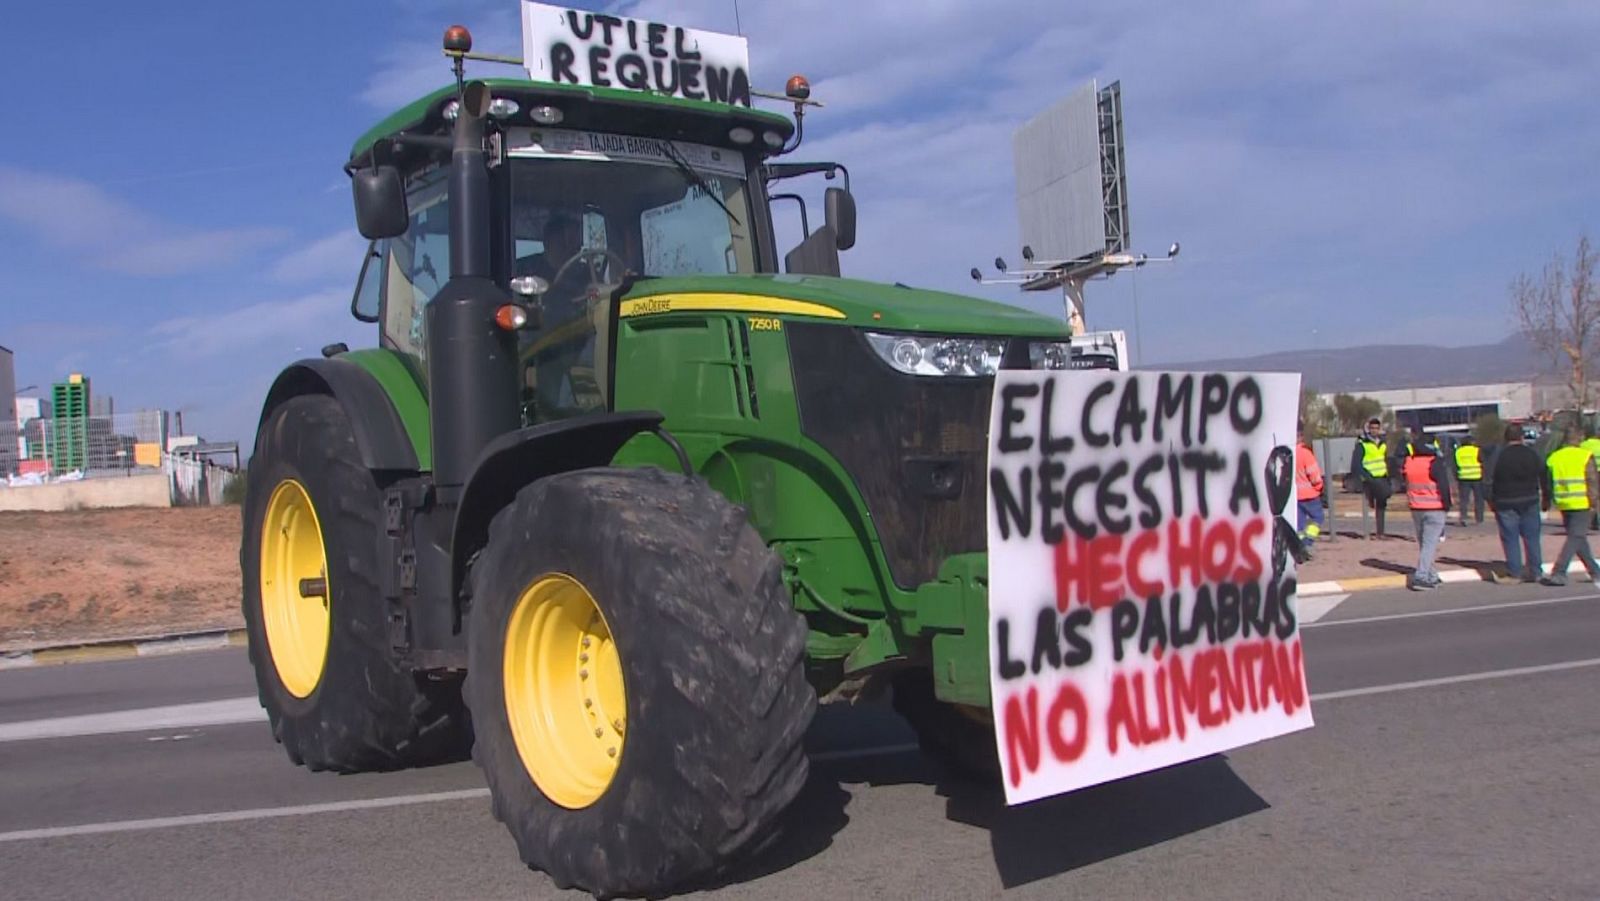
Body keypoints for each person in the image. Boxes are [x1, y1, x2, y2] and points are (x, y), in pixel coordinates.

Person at [1539, 429, 1600, 588]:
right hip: (1582, 502)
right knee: (1575, 538)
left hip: (1564, 502)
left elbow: (1547, 483)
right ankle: (1559, 572)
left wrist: (1546, 502)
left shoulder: (1554, 457)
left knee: (1578, 538)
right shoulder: (1584, 456)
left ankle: (1595, 571)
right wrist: (1594, 503)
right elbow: (1592, 481)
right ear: (1578, 439)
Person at [1489, 423, 1549, 583]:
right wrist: (1546, 499)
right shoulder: (1532, 454)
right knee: (1532, 537)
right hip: (1530, 499)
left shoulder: (1498, 455)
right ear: (1522, 437)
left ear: (1505, 438)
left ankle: (1515, 572)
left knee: (1510, 538)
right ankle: (1536, 571)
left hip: (1505, 501)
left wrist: (1491, 500)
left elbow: (1488, 479)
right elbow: (1544, 475)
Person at [1351, 417, 1392, 539]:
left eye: (1376, 428)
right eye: (1372, 428)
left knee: (1382, 504)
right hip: (1371, 478)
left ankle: (1380, 532)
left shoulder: (1382, 443)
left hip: (1382, 476)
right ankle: (1370, 532)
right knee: (1380, 496)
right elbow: (1356, 464)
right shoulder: (1362, 444)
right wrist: (1366, 477)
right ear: (1368, 429)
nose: (1374, 430)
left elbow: (1384, 459)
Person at [1295, 420, 1325, 549]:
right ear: (1301, 435)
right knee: (1318, 518)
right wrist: (1319, 487)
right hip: (1310, 495)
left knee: (1299, 523)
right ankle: (1307, 542)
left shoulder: (1286, 452)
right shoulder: (1305, 453)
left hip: (1295, 496)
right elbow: (1314, 475)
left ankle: (1299, 545)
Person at [1453, 435, 1485, 526]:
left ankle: (1463, 517)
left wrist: (1456, 477)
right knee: (1479, 499)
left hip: (1463, 477)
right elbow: (1482, 462)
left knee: (1464, 499)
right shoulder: (1477, 450)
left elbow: (1454, 465)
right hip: (1477, 477)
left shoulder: (1458, 452)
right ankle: (1479, 519)